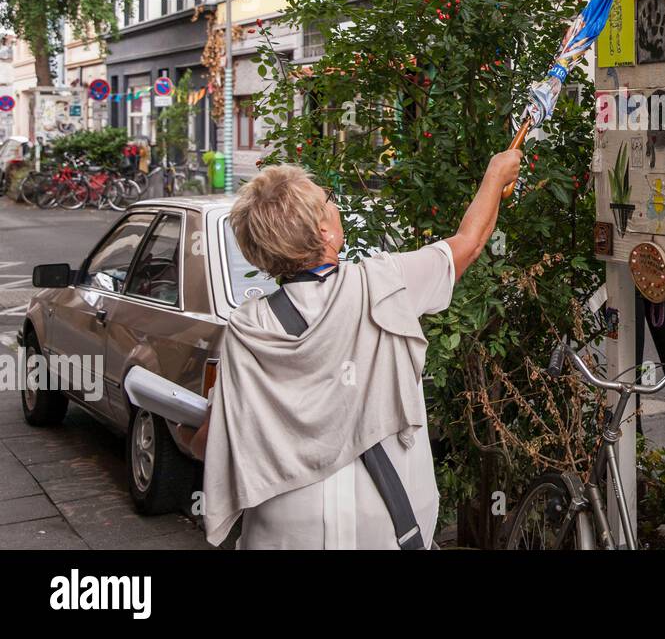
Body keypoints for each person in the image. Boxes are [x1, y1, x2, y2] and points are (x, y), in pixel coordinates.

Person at [187, 150, 521, 549]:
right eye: (327, 199)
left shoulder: (248, 326)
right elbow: (470, 242)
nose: (335, 203)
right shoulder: (382, 284)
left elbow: (212, 439)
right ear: (325, 233)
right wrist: (495, 175)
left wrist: (183, 427)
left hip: (284, 527)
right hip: (383, 522)